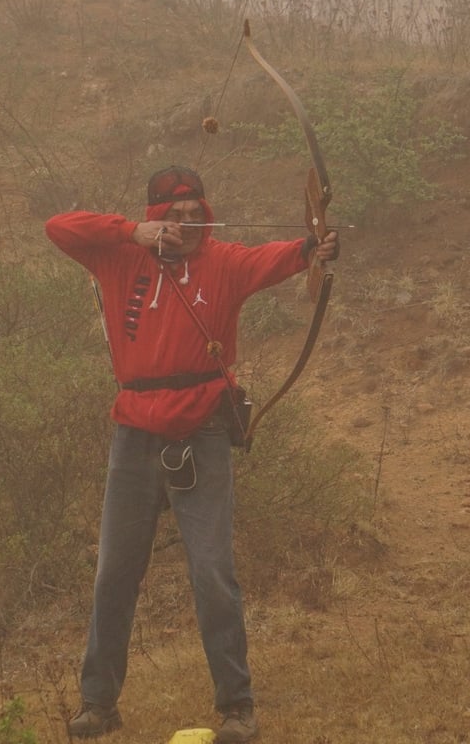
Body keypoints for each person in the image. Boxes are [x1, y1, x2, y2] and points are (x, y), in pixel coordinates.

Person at [45, 166, 339, 742]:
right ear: (155, 217)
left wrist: (313, 248)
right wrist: (131, 232)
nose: (187, 223)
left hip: (202, 428)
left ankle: (237, 707)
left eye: (194, 213)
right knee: (114, 573)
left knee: (212, 571)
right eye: (173, 215)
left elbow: (280, 256)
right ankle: (98, 704)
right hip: (134, 431)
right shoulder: (119, 258)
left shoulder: (223, 261)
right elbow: (58, 226)